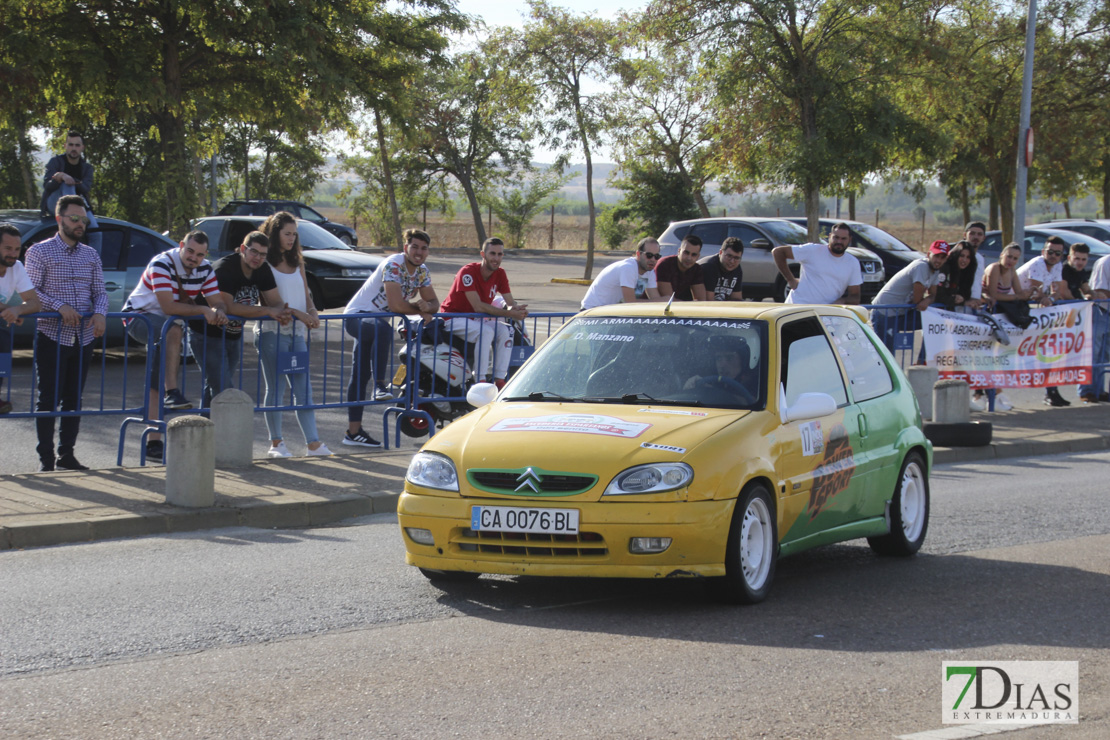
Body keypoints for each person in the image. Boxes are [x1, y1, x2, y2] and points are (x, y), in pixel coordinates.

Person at [123, 231, 229, 461]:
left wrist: (219, 310)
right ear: (181, 246)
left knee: (156, 376)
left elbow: (216, 300)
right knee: (172, 329)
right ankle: (172, 391)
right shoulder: (162, 264)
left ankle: (154, 442)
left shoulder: (206, 268)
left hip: (169, 327)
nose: (193, 258)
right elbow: (168, 307)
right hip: (139, 318)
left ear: (205, 255)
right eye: (189, 251)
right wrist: (203, 310)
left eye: (199, 254)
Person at [23, 195, 108, 471]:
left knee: (74, 398)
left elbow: (100, 292)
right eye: (74, 218)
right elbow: (33, 292)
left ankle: (67, 455)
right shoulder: (38, 252)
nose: (80, 223)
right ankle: (46, 460)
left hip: (82, 338)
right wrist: (60, 306)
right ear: (59, 219)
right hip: (51, 335)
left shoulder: (91, 254)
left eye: (83, 219)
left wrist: (100, 313)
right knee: (48, 398)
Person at [343, 228, 439, 448]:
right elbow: (396, 305)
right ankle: (380, 386)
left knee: (359, 373)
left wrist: (428, 306)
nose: (419, 252)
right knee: (383, 331)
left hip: (376, 323)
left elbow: (435, 303)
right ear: (405, 247)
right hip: (358, 316)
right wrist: (419, 307)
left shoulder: (422, 271)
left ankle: (353, 432)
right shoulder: (394, 264)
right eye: (414, 246)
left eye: (423, 248)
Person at [255, 214, 332, 458]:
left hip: (297, 332)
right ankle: (276, 444)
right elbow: (272, 302)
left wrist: (311, 312)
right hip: (272, 331)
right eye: (287, 233)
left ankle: (313, 443)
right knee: (276, 387)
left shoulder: (297, 260)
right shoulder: (265, 263)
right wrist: (298, 313)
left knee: (303, 387)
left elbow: (306, 294)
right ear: (275, 233)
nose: (292, 238)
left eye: (294, 234)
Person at [204, 230, 291, 406]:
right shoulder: (225, 268)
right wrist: (268, 311)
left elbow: (276, 302)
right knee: (224, 388)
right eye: (254, 252)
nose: (258, 258)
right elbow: (228, 307)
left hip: (233, 334)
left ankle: (205, 427)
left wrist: (286, 312)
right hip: (207, 333)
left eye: (263, 255)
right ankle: (227, 431)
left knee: (215, 387)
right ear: (243, 249)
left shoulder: (263, 269)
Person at [439, 237, 528, 389]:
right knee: (485, 332)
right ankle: (479, 380)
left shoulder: (500, 273)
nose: (496, 258)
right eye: (492, 253)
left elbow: (510, 302)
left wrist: (518, 309)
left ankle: (500, 379)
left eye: (500, 254)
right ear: (483, 254)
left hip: (475, 319)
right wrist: (509, 313)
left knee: (506, 330)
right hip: (452, 317)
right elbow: (478, 306)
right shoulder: (467, 272)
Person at [976, 243, 1033, 412]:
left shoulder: (1012, 271)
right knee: (985, 356)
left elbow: (1020, 294)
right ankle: (990, 394)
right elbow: (994, 294)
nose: (1011, 261)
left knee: (996, 357)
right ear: (1002, 254)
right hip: (986, 316)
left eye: (1015, 258)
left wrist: (1020, 295)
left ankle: (987, 394)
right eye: (1009, 256)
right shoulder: (994, 268)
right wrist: (1015, 297)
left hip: (999, 316)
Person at [870, 240, 947, 359]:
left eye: (942, 257)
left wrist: (927, 300)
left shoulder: (936, 271)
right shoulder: (921, 266)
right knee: (886, 356)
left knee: (934, 322)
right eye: (936, 256)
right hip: (884, 312)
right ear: (928, 254)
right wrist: (926, 300)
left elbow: (933, 295)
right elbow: (917, 300)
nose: (939, 260)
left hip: (900, 313)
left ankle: (922, 363)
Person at [0, 223, 43, 416]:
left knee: (3, 338)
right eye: (8, 248)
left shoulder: (16, 267)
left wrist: (18, 310)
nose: (13, 254)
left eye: (17, 249)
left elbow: (35, 303)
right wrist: (12, 310)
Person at [772, 222, 862, 304]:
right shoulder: (812, 250)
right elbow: (778, 252)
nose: (839, 242)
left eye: (843, 239)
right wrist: (790, 280)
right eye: (836, 237)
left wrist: (843, 301)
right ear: (830, 236)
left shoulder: (852, 263)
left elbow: (855, 296)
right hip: (798, 307)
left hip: (825, 313)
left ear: (849, 239)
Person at [580, 238, 664, 309]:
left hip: (612, 314)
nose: (653, 259)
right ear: (638, 254)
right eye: (649, 255)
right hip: (592, 313)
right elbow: (630, 303)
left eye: (657, 256)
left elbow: (656, 300)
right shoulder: (628, 268)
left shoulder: (649, 272)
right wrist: (661, 301)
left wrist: (665, 301)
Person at [683, 338, 757, 405]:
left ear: (743, 361)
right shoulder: (710, 380)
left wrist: (715, 392)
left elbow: (753, 404)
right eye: (718, 358)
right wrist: (692, 385)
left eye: (729, 358)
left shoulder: (756, 384)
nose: (722, 365)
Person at [39, 131, 95, 218]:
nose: (74, 148)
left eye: (77, 145)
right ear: (65, 146)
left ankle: (75, 214)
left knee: (95, 230)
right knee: (67, 185)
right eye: (71, 145)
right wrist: (60, 178)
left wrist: (69, 178)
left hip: (80, 206)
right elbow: (47, 185)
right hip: (55, 204)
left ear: (82, 148)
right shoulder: (55, 162)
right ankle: (72, 215)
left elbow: (85, 188)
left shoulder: (87, 168)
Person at [1079, 253, 1110, 404]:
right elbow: (1099, 291)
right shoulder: (1105, 262)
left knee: (1104, 356)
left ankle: (1100, 390)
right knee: (1093, 353)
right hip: (1100, 312)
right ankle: (1087, 391)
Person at [1016, 236, 1067, 308]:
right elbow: (1037, 292)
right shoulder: (1037, 263)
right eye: (1050, 252)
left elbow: (1057, 291)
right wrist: (1046, 299)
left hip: (1024, 302)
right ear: (1043, 252)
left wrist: (1050, 299)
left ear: (1061, 255)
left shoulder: (1058, 265)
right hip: (1010, 300)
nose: (1053, 255)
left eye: (1057, 253)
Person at [655, 235, 707, 301]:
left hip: (680, 306)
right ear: (679, 251)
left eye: (693, 255)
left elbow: (701, 300)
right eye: (686, 253)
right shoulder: (665, 265)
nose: (689, 258)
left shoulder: (696, 269)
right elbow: (668, 299)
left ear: (698, 256)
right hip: (654, 306)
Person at [935, 240, 978, 312]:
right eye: (962, 256)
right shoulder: (945, 268)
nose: (964, 260)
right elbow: (937, 295)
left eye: (968, 257)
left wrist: (961, 298)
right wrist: (957, 300)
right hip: (934, 313)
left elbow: (965, 293)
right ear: (956, 254)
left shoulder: (967, 272)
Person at [699, 236, 745, 301]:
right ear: (720, 253)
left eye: (736, 258)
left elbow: (736, 299)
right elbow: (708, 302)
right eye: (729, 256)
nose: (732, 261)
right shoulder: (709, 267)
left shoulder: (737, 269)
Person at [961, 221, 988, 310]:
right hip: (958, 307)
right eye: (972, 233)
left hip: (974, 307)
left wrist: (983, 297)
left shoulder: (980, 258)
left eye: (979, 234)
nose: (975, 237)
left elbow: (976, 283)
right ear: (965, 235)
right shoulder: (958, 257)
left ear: (983, 238)